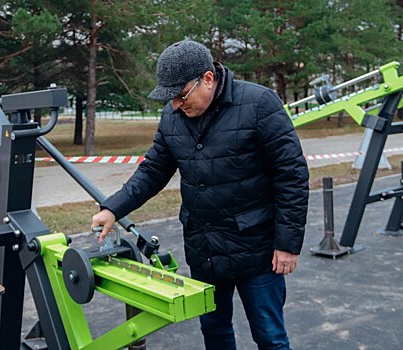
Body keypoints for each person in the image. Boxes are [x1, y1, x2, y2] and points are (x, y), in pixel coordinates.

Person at [92, 39, 309, 349]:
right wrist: (113, 208)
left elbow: (292, 176)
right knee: (215, 333)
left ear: (208, 78)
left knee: (270, 337)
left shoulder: (260, 104)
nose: (177, 105)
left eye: (181, 95)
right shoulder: (172, 117)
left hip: (257, 250)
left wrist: (287, 244)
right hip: (204, 248)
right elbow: (152, 171)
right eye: (171, 99)